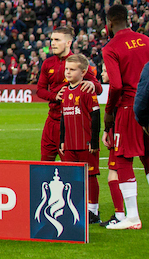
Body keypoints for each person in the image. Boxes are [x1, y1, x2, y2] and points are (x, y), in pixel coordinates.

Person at [100, 4, 149, 230]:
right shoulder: (146, 40)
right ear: (128, 19)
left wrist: (109, 112)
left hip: (129, 107)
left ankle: (132, 217)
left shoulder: (111, 47)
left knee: (122, 159)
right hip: (148, 104)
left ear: (109, 23)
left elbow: (117, 85)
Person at [36, 26, 98, 162]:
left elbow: (98, 87)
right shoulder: (48, 63)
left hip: (70, 124)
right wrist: (55, 96)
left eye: (57, 40)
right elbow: (40, 90)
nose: (53, 43)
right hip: (51, 122)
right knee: (44, 165)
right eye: (52, 39)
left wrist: (92, 84)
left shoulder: (77, 63)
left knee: (70, 170)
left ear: (68, 43)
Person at [58, 54, 101, 224]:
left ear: (83, 72)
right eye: (66, 69)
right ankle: (73, 207)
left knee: (91, 176)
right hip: (69, 144)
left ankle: (93, 211)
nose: (68, 72)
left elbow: (96, 116)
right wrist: (62, 140)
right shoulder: (65, 92)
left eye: (72, 69)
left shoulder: (87, 90)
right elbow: (63, 118)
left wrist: (94, 141)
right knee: (70, 176)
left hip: (85, 143)